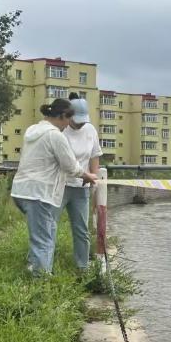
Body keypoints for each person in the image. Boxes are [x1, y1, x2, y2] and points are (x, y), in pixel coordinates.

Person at [11, 98, 98, 275]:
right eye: (68, 120)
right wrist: (87, 175)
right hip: (40, 192)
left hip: (21, 190)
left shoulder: (32, 129)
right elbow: (70, 166)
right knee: (44, 239)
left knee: (44, 232)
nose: (67, 125)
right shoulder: (55, 135)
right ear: (63, 116)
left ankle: (36, 269)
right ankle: (41, 281)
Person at [54, 92, 103, 271]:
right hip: (59, 185)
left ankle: (82, 268)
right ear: (68, 116)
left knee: (81, 230)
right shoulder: (60, 130)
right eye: (76, 120)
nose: (80, 123)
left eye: (83, 120)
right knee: (50, 225)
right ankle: (41, 266)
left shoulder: (90, 130)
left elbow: (95, 156)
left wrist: (93, 180)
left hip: (81, 188)